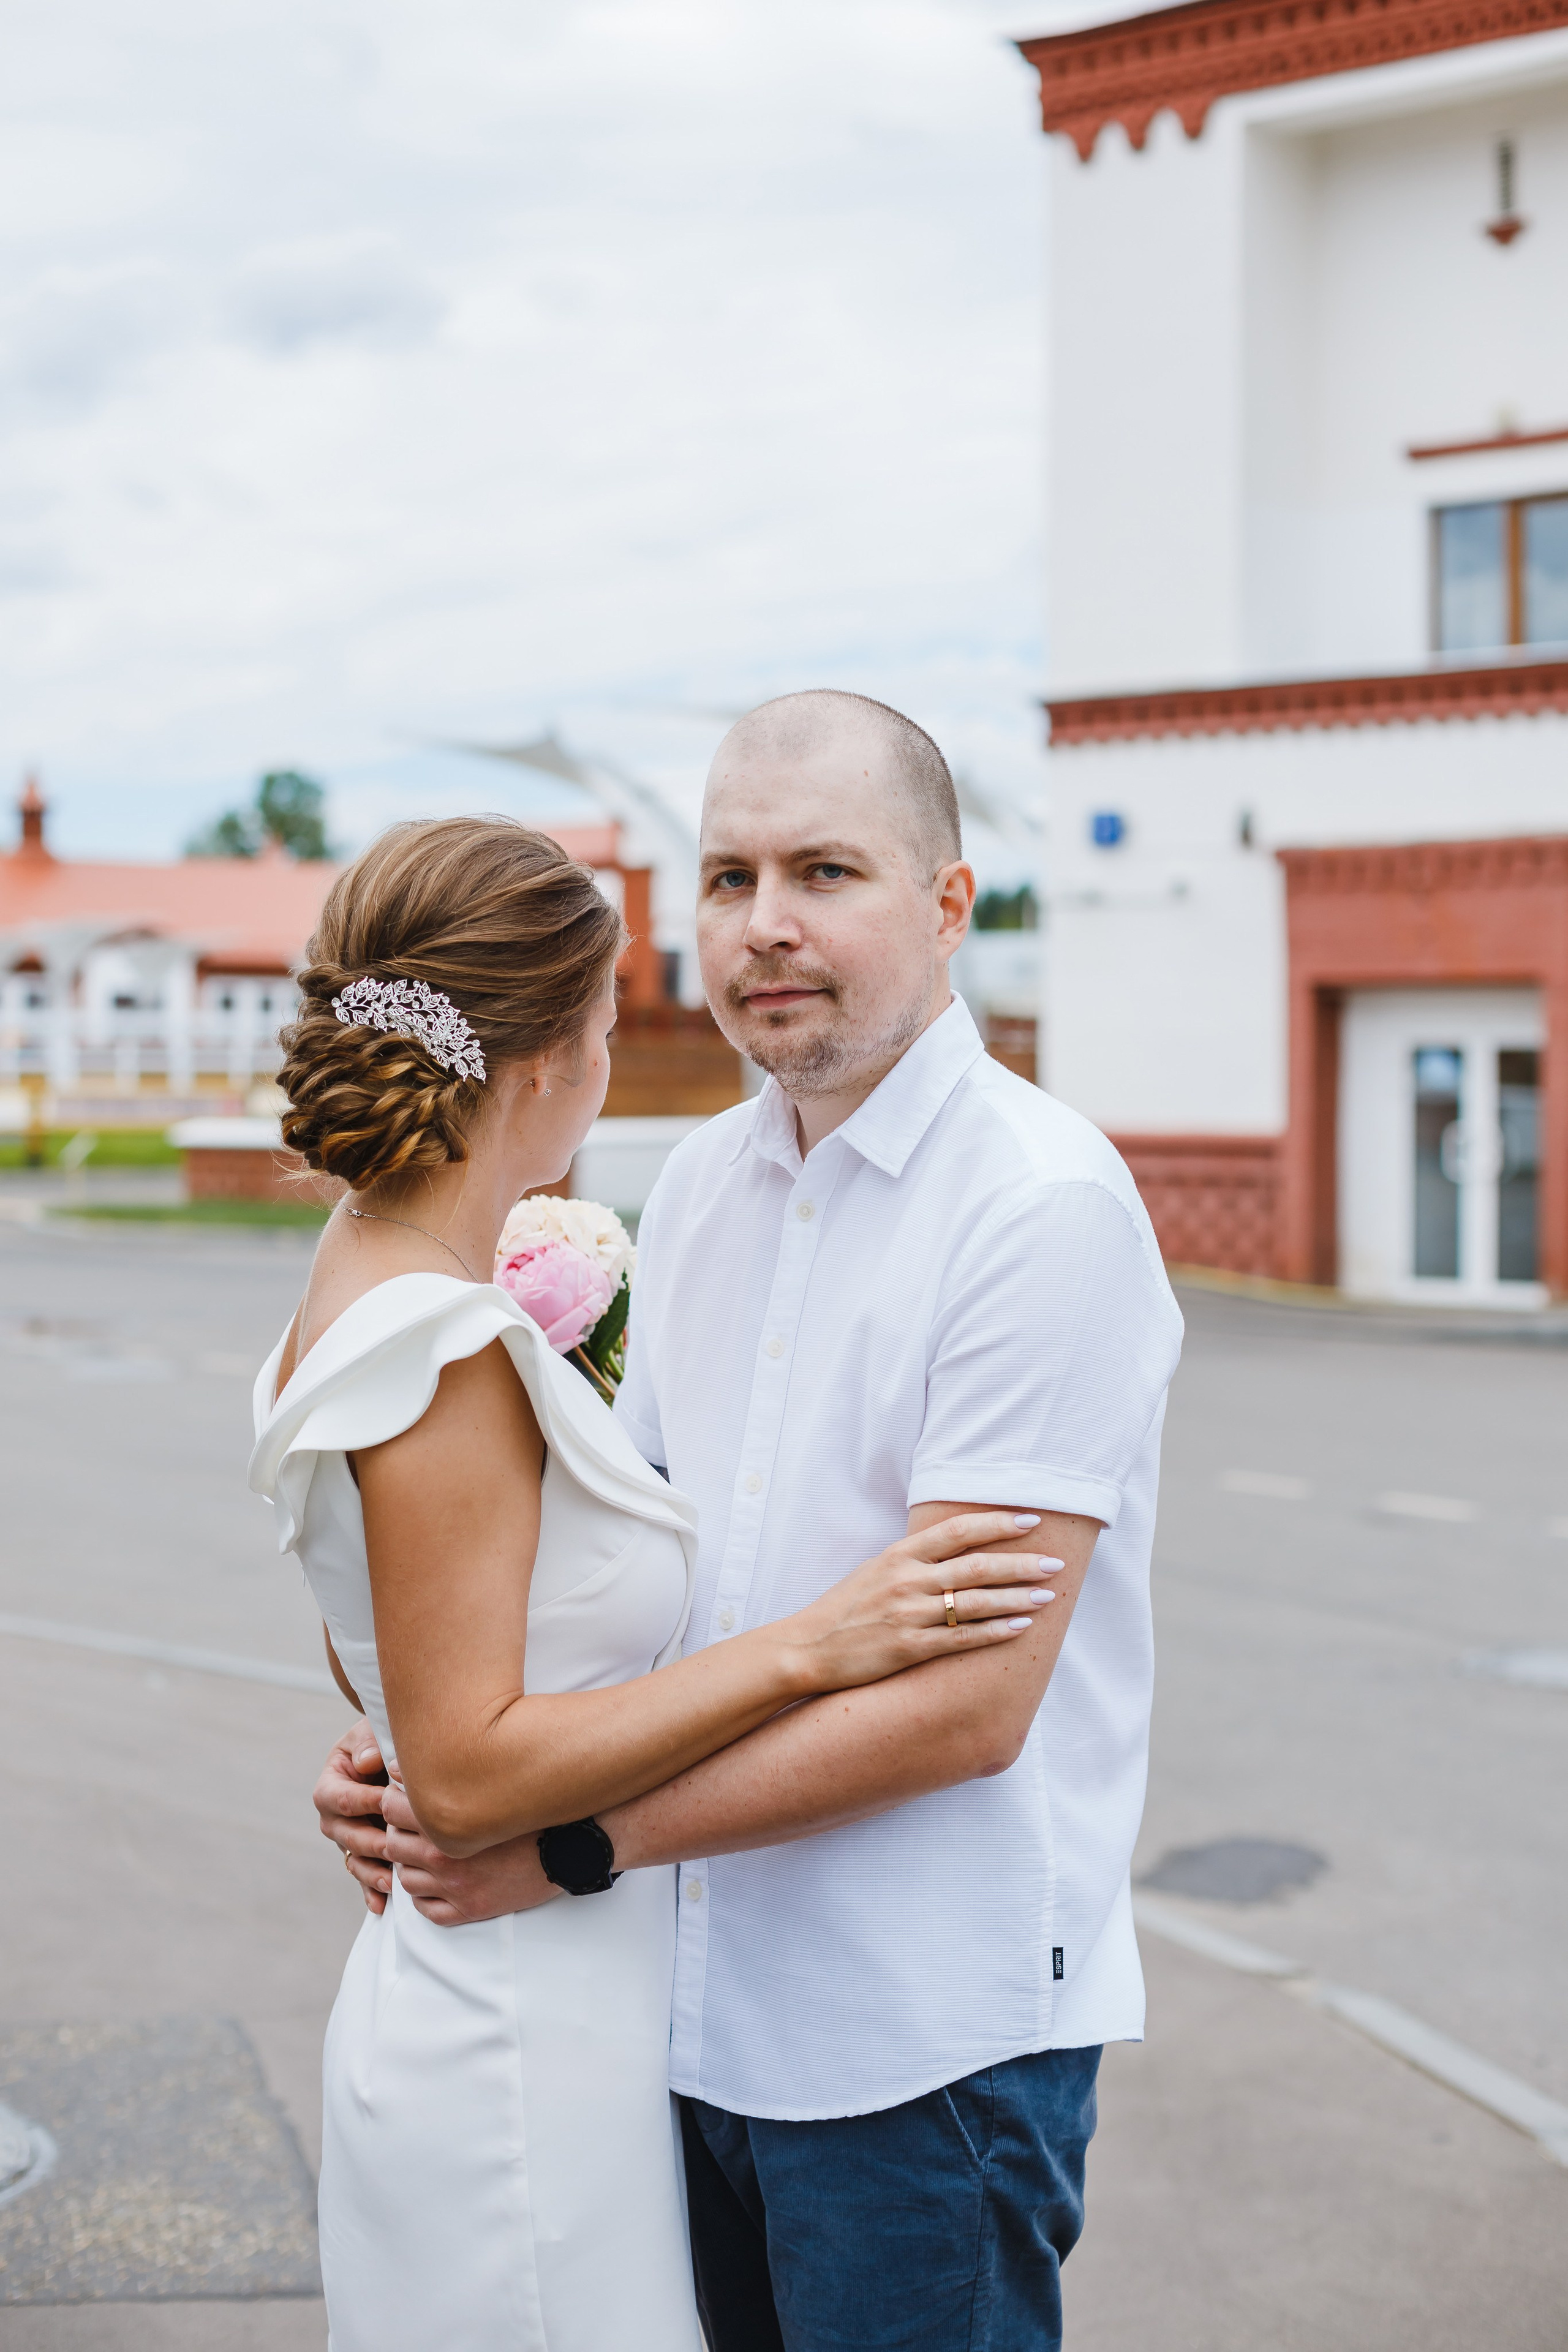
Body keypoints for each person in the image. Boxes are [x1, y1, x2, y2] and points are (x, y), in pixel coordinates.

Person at [318, 691, 1185, 2350]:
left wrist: (567, 1844)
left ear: (948, 903)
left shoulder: (1040, 1207)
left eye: (824, 872)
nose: (764, 925)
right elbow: (622, 1584)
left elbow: (969, 1706)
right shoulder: (705, 1186)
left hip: (915, 2050)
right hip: (679, 2015)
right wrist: (419, 1759)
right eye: (729, 878)